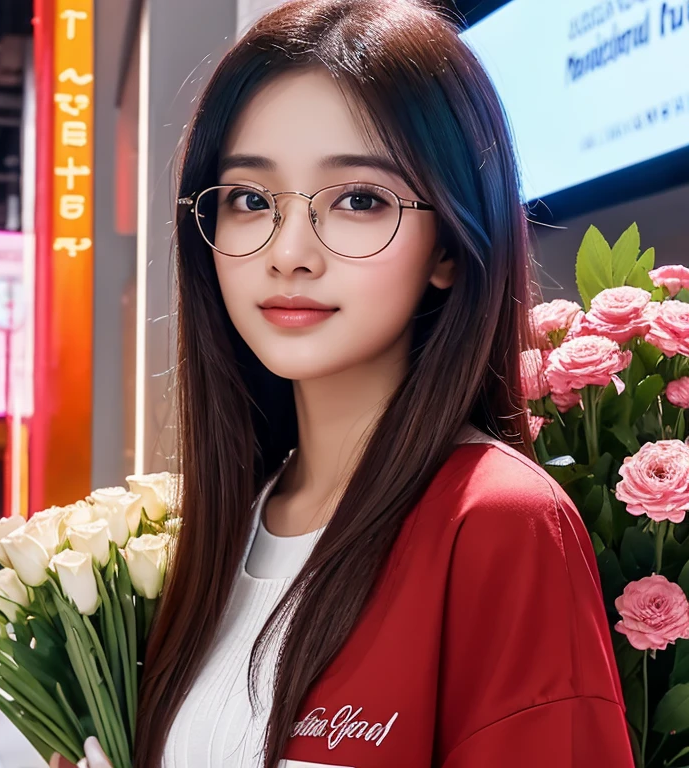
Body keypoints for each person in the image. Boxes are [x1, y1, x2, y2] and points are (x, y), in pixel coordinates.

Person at [52, 1, 635, 767]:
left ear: (451, 246)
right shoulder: (231, 523)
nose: (288, 252)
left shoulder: (497, 523)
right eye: (251, 200)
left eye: (359, 200)